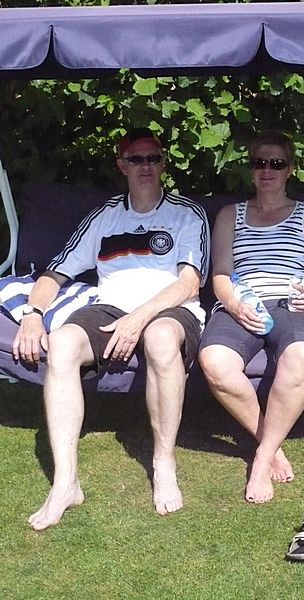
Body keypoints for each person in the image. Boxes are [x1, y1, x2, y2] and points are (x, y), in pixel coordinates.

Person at [13, 127, 210, 529]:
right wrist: (32, 313)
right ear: (122, 165)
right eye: (136, 159)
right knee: (62, 343)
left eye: (153, 158)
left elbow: (190, 283)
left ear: (163, 164)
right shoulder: (105, 216)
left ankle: (163, 462)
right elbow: (55, 273)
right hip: (111, 308)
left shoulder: (186, 213)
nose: (145, 166)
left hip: (171, 309)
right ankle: (66, 483)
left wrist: (139, 318)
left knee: (159, 338)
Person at [198, 130, 304, 504]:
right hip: (243, 300)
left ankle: (261, 459)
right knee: (214, 362)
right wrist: (233, 303)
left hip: (294, 302)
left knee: (301, 356)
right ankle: (270, 442)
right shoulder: (230, 215)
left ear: (290, 169)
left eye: (277, 163)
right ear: (250, 169)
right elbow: (220, 273)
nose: (267, 170)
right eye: (259, 162)